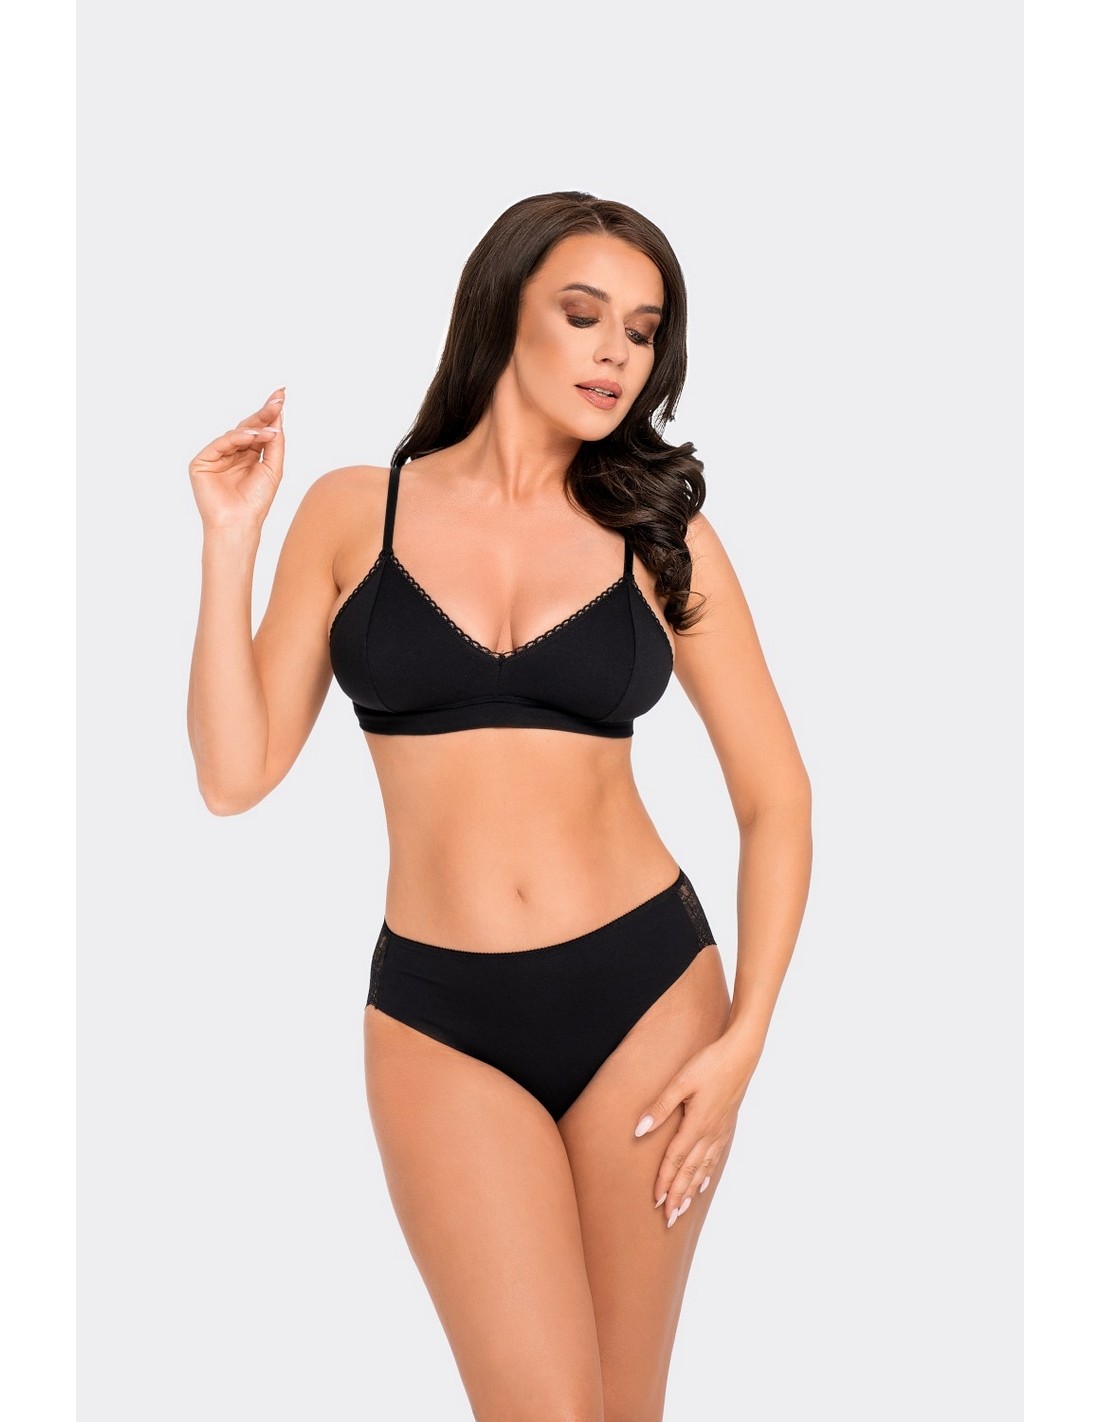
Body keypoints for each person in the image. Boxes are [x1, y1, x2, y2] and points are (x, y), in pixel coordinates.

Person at [186, 191, 813, 1422]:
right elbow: (233, 773)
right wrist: (227, 542)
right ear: (500, 311)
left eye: (640, 331)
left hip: (649, 998)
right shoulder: (353, 510)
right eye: (582, 315)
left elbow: (774, 795)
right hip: (439, 1019)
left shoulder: (659, 535)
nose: (613, 353)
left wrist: (744, 1041)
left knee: (621, 1408)